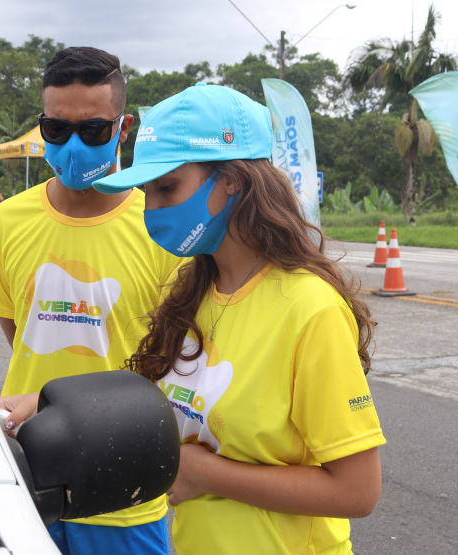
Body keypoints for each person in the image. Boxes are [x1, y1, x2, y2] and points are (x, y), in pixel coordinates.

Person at [90, 83, 385, 554]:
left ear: (234, 180)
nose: (153, 210)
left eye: (167, 187)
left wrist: (204, 473)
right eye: (147, 192)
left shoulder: (310, 308)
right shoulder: (192, 292)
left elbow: (357, 491)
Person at [0, 47, 179, 555]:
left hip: (123, 481)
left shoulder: (159, 225)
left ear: (124, 127)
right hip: (28, 472)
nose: (73, 145)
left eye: (92, 130)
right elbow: (17, 331)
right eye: (56, 129)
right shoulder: (8, 220)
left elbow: (173, 358)